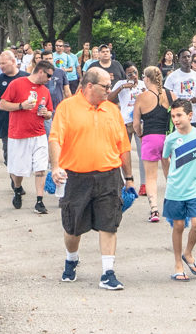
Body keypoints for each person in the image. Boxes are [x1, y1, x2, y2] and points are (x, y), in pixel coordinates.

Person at [49, 67, 136, 290]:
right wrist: (56, 166)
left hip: (108, 176)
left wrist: (129, 177)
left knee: (109, 224)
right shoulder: (67, 108)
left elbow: (123, 146)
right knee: (73, 228)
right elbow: (56, 139)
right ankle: (71, 259)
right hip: (76, 177)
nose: (110, 90)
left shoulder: (112, 110)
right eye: (106, 86)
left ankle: (108, 272)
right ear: (89, 86)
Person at [162, 100, 196, 280]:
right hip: (175, 191)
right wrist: (169, 179)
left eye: (179, 115)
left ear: (190, 116)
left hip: (193, 190)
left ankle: (188, 253)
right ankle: (178, 263)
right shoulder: (171, 139)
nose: (175, 119)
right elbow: (164, 158)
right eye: (173, 116)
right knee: (179, 225)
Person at [0, 60, 54, 214]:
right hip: (19, 134)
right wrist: (21, 106)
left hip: (38, 134)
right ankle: (17, 189)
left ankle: (39, 201)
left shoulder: (45, 91)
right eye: (48, 75)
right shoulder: (17, 84)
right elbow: (2, 104)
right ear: (41, 72)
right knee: (18, 171)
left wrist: (46, 114)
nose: (49, 79)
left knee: (41, 168)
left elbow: (50, 112)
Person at [132, 66, 173, 223]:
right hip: (167, 138)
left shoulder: (142, 97)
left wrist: (141, 135)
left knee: (151, 177)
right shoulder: (170, 94)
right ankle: (174, 203)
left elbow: (136, 124)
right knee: (169, 173)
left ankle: (154, 209)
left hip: (150, 137)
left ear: (146, 79)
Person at [109, 63, 146, 195]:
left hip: (140, 122)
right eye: (130, 74)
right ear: (125, 74)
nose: (133, 76)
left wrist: (144, 93)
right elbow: (109, 99)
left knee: (143, 154)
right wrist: (122, 87)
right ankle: (124, 182)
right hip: (124, 122)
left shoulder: (143, 84)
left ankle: (144, 184)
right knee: (123, 153)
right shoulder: (120, 83)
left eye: (135, 72)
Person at [0, 51, 28, 167]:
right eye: (0, 64)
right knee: (9, 156)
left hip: (25, 123)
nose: (1, 66)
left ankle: (17, 179)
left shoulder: (26, 77)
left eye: (4, 63)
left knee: (23, 156)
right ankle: (15, 182)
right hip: (6, 123)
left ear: (13, 61)